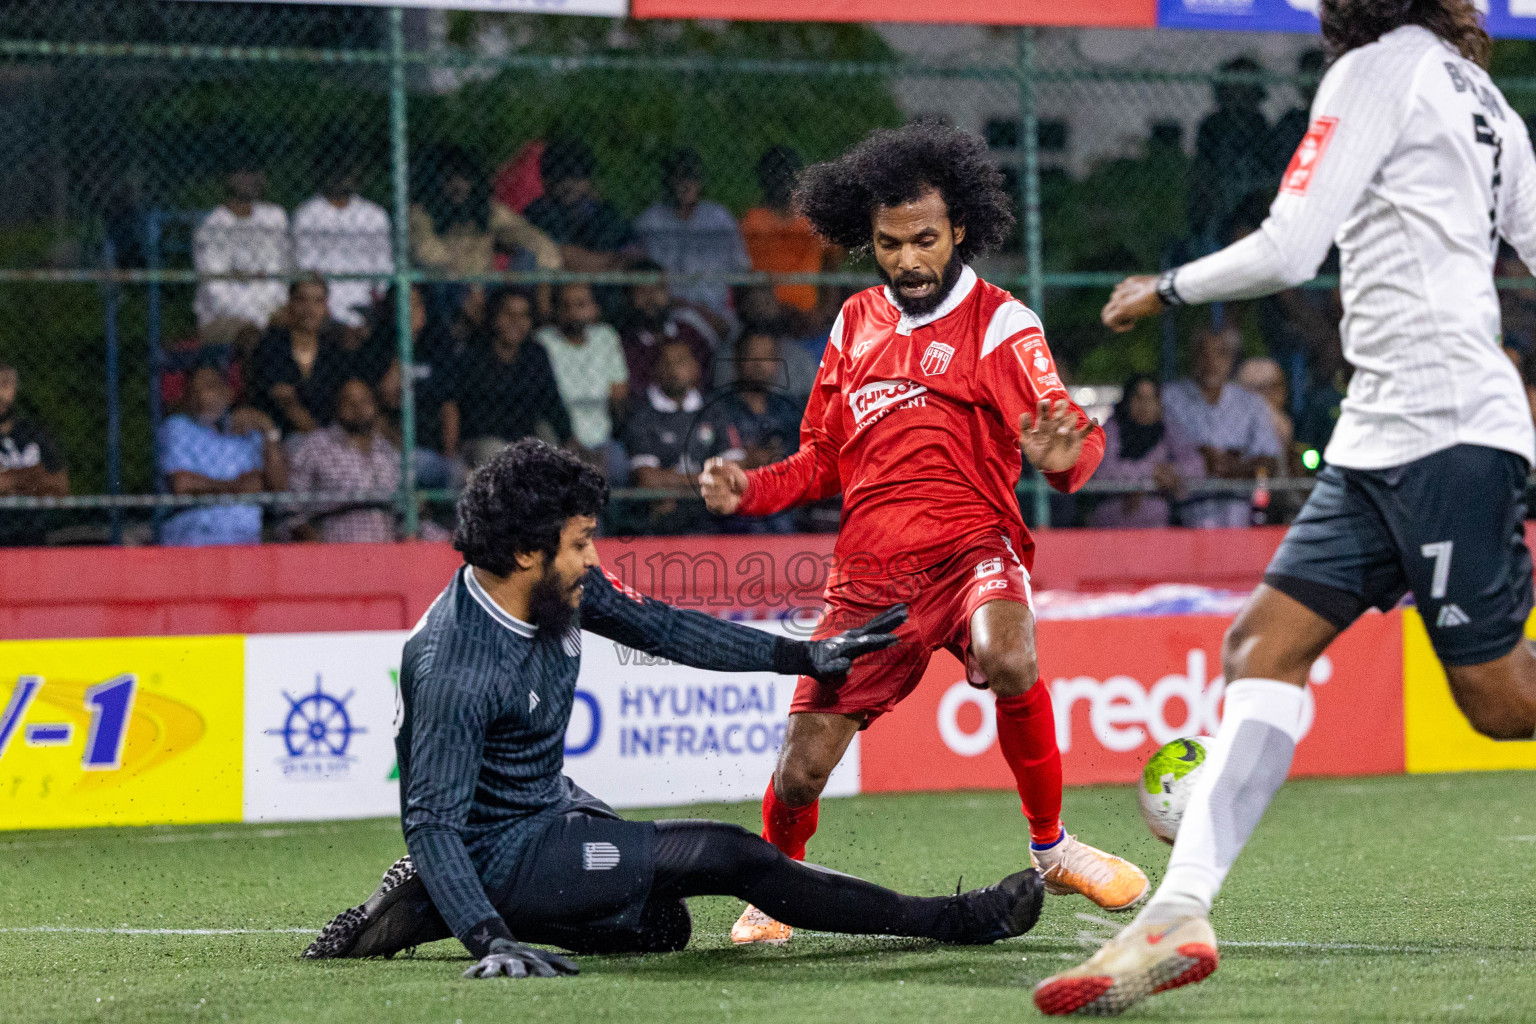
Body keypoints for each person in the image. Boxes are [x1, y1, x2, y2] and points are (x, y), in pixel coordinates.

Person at [1043, 3, 1536, 1014]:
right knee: (1261, 646)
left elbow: (1289, 246)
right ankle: (1178, 914)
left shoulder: (1376, 71)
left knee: (1498, 703)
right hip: (1377, 438)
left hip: (1447, 431)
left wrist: (1165, 287)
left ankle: (1178, 908)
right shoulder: (1489, 102)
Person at [302, 440, 1044, 971]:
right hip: (497, 854)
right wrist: (490, 938)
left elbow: (663, 628)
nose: (593, 559)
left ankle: (426, 905)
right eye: (582, 543)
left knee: (663, 928)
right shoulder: (454, 663)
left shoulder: (554, 586)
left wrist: (802, 655)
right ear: (528, 553)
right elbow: (431, 821)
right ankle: (953, 919)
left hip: (551, 810)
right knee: (730, 854)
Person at [698, 123, 1147, 946]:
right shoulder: (853, 324)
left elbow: (1075, 438)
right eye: (889, 243)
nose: (908, 260)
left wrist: (1061, 455)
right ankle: (773, 889)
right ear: (866, 239)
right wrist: (750, 489)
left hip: (974, 548)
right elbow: (822, 459)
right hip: (870, 579)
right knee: (800, 771)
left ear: (961, 229)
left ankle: (1051, 847)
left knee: (1009, 654)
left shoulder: (1002, 325)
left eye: (926, 240)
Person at [409, 145, 561, 330]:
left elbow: (541, 245)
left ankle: (520, 319)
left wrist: (512, 283)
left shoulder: (488, 212)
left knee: (527, 255)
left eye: (464, 178)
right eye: (449, 179)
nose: (458, 185)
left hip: (486, 291)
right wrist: (469, 289)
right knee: (441, 281)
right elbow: (430, 258)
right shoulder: (419, 214)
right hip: (446, 292)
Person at [1160, 326, 1282, 528]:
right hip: (1182, 515)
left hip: (1239, 516)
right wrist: (1198, 460)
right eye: (1203, 352)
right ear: (1193, 355)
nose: (1211, 362)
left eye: (1221, 353)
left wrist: (1234, 467)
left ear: (1232, 358)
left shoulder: (1251, 403)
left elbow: (1270, 458)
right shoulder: (1169, 398)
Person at [158, 364, 287, 546]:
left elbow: (278, 487)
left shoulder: (250, 432)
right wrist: (238, 486)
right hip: (195, 537)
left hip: (245, 538)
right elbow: (183, 485)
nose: (202, 396)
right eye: (194, 390)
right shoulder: (178, 427)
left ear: (228, 393)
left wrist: (268, 429)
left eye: (209, 387)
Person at [454, 288, 574, 468]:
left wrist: (569, 438)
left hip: (526, 437)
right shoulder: (474, 355)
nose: (515, 322)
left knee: (551, 445)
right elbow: (473, 417)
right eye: (508, 314)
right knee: (496, 454)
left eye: (523, 315)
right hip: (484, 440)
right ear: (495, 317)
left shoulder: (535, 355)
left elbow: (552, 402)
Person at [623, 341, 728, 534]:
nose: (673, 369)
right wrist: (705, 478)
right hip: (664, 508)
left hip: (711, 507)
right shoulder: (642, 415)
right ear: (655, 371)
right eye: (666, 363)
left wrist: (672, 479)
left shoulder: (714, 411)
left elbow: (734, 473)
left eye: (680, 361)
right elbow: (647, 480)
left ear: (695, 368)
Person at [635, 147, 750, 320]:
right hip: (667, 313)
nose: (686, 184)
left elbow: (742, 269)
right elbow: (641, 278)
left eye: (691, 177)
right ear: (668, 181)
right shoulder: (651, 220)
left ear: (700, 182)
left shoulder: (718, 217)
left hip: (717, 311)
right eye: (679, 177)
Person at [710, 332, 804, 535]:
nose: (760, 365)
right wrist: (749, 460)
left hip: (786, 502)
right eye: (752, 357)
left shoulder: (790, 410)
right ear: (737, 361)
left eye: (767, 357)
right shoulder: (718, 408)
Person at [287, 379, 401, 543]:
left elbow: (405, 509)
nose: (358, 408)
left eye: (365, 401)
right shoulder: (316, 446)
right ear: (337, 406)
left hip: (386, 550)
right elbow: (291, 510)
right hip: (335, 550)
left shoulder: (387, 450)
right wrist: (316, 546)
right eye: (350, 402)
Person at [536, 282, 629, 482]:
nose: (573, 312)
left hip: (601, 438)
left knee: (618, 465)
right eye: (566, 306)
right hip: (558, 436)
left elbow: (618, 393)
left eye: (581, 305)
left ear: (594, 308)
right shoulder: (544, 341)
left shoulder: (606, 337)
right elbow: (544, 400)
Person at [1087, 375, 1204, 530]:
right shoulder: (1110, 430)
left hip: (1157, 529)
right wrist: (1149, 474)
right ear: (1127, 401)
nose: (1145, 405)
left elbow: (1196, 465)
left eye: (1151, 398)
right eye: (1138, 397)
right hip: (1111, 527)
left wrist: (1172, 472)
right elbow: (1103, 470)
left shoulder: (1167, 430)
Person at [193, 160, 290, 343]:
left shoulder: (275, 217)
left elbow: (282, 274)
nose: (251, 179)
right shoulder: (213, 226)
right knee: (251, 337)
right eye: (244, 173)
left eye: (255, 172)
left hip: (274, 313)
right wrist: (258, 318)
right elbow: (216, 293)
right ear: (229, 179)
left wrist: (277, 310)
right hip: (224, 318)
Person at [291, 161, 393, 330]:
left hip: (365, 307)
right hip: (324, 309)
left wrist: (376, 305)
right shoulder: (307, 214)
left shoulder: (374, 215)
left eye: (346, 172)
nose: (340, 178)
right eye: (334, 171)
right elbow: (305, 269)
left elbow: (384, 270)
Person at [248, 277, 354, 437]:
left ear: (326, 307)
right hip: (278, 435)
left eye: (318, 301)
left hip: (328, 435)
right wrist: (321, 441)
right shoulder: (272, 346)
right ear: (290, 304)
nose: (309, 309)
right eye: (302, 300)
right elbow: (284, 399)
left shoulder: (333, 351)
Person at [1187, 56, 1274, 249]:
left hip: (1251, 195)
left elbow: (1266, 169)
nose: (1239, 95)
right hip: (1218, 195)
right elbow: (1204, 169)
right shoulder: (1212, 125)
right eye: (1234, 88)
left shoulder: (1259, 124)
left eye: (1245, 89)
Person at [740, 146, 827, 313]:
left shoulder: (813, 222)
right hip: (768, 311)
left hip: (806, 313)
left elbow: (831, 265)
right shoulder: (752, 222)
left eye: (788, 174)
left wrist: (825, 310)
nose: (782, 182)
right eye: (775, 175)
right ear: (764, 180)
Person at [618, 259, 719, 394]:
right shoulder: (624, 344)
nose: (650, 298)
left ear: (668, 292)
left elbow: (706, 379)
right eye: (641, 291)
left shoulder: (689, 333)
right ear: (629, 297)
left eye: (657, 289)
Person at [0, 362, 68, 547]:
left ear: (15, 388)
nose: (0, 393)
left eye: (5, 384)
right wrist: (33, 476)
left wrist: (11, 480)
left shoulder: (34, 433)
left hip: (33, 540)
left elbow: (60, 487)